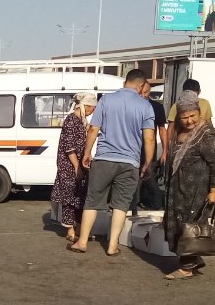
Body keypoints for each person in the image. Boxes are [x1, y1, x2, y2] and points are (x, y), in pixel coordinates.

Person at [68, 69, 156, 256]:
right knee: (120, 205)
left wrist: (87, 152)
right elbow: (149, 138)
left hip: (104, 159)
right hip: (129, 162)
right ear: (141, 86)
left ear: (126, 81)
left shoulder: (106, 100)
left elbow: (93, 129)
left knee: (92, 201)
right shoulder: (145, 106)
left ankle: (82, 242)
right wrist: (148, 163)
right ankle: (112, 246)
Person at [163, 91, 215, 280]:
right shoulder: (180, 132)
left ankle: (187, 267)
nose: (189, 121)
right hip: (179, 189)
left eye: (192, 116)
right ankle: (193, 261)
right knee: (178, 224)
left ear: (200, 113)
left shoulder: (207, 133)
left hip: (197, 190)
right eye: (184, 117)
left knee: (190, 227)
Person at [50, 92, 97, 243]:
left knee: (79, 199)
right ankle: (70, 231)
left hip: (79, 165)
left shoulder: (81, 121)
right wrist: (77, 167)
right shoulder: (71, 120)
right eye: (91, 108)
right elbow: (69, 148)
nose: (93, 111)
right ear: (85, 106)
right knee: (69, 199)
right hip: (69, 167)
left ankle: (79, 229)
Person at [134, 81, 168, 210]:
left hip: (149, 149)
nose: (142, 95)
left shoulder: (156, 107)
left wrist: (165, 151)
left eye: (144, 92)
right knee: (134, 178)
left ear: (148, 92)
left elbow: (162, 129)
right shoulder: (133, 106)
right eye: (140, 92)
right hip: (133, 148)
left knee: (149, 177)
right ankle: (135, 204)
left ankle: (156, 202)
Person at [166, 79, 213, 146]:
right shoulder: (177, 106)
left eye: (194, 94)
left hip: (201, 142)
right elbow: (171, 128)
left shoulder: (205, 103)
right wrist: (168, 147)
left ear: (199, 92)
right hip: (182, 142)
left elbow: (209, 123)